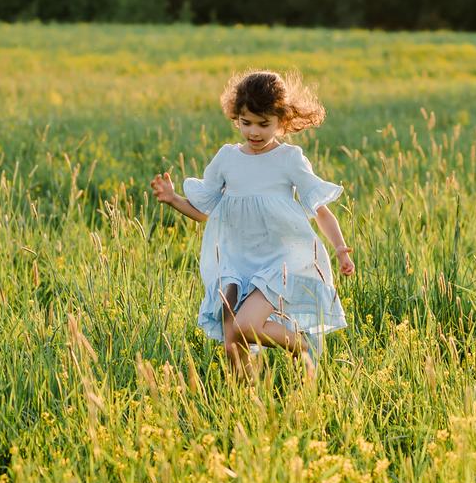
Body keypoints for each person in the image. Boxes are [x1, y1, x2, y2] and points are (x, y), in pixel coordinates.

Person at [151, 71, 353, 375]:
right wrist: (174, 200)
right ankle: (245, 401)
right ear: (236, 118)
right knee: (232, 339)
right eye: (246, 123)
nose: (254, 132)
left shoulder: (289, 159)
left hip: (278, 260)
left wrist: (340, 248)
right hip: (236, 260)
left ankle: (301, 345)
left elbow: (320, 209)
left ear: (281, 121)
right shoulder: (227, 159)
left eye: (263, 124)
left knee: (247, 325)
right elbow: (209, 212)